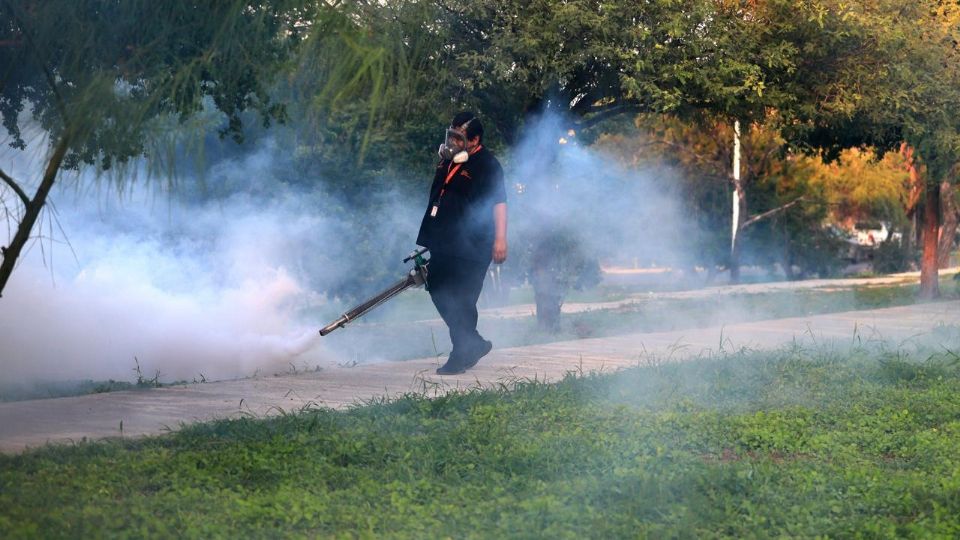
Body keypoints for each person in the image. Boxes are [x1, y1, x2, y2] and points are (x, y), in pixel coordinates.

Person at [416, 111, 508, 375]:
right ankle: (472, 343)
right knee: (437, 288)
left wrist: (501, 238)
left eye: (459, 137)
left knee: (462, 298)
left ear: (475, 139)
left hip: (473, 245)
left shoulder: (487, 164)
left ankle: (461, 353)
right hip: (444, 240)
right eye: (452, 135)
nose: (453, 141)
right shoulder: (449, 161)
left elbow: (499, 202)